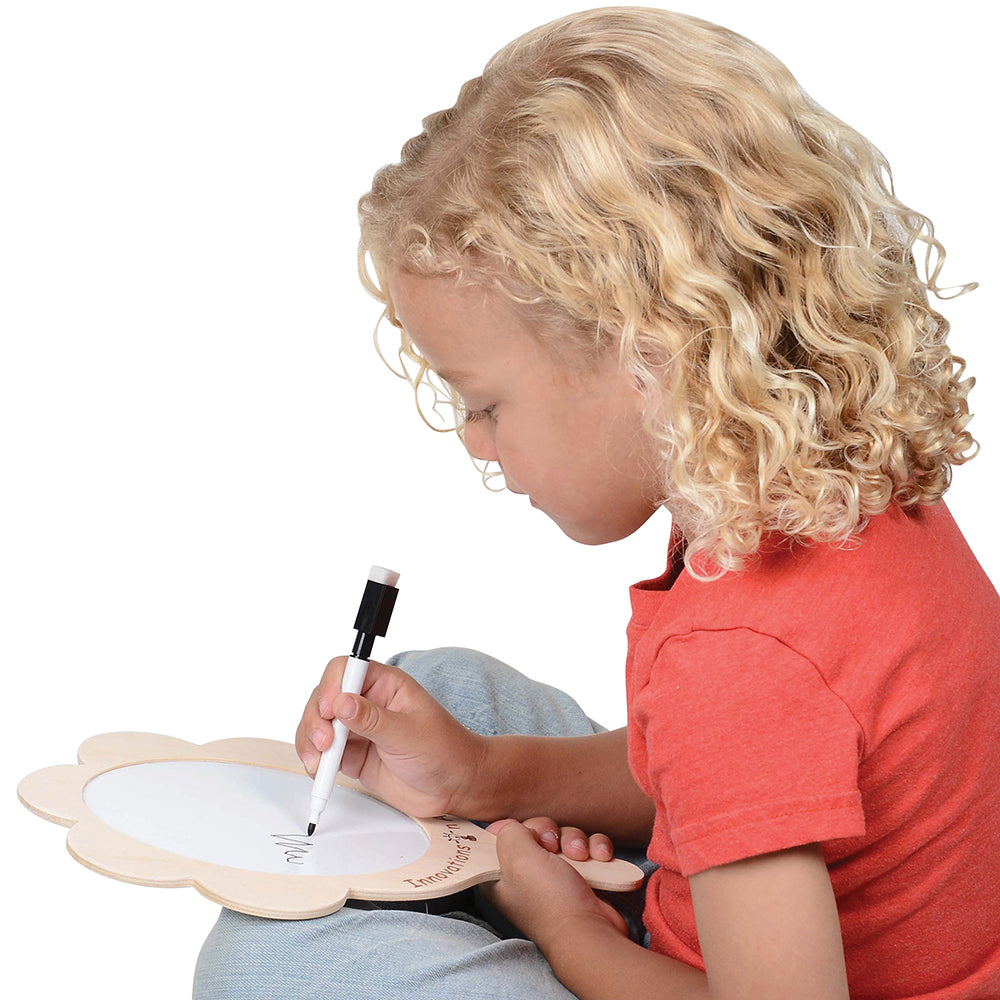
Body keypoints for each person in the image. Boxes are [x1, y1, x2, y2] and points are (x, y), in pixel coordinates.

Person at [194, 8, 1000, 998]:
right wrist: (483, 774)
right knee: (438, 683)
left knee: (270, 963)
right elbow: (761, 761)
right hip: (783, 905)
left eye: (484, 404)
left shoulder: (733, 661)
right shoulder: (847, 486)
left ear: (648, 356)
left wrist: (567, 930)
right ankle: (470, 800)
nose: (474, 442)